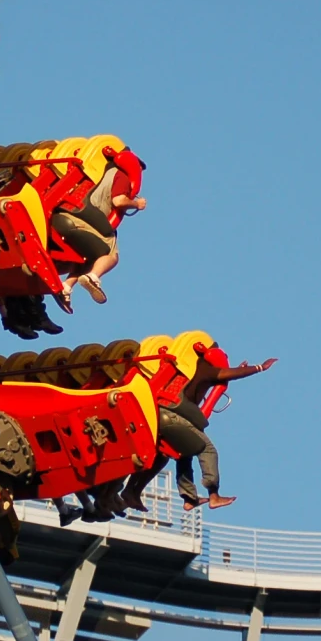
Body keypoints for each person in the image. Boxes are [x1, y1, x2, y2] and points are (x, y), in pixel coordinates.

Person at [137, 347, 277, 512]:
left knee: (185, 452)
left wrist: (237, 368)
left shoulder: (189, 367)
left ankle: (189, 498)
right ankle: (214, 496)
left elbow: (226, 374)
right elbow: (228, 374)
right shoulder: (207, 370)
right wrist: (259, 367)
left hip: (159, 412)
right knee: (208, 450)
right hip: (174, 416)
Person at [54, 148, 145, 308]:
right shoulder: (121, 176)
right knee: (111, 252)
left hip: (62, 216)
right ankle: (93, 278)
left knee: (89, 255)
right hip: (81, 220)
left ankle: (65, 288)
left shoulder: (96, 174)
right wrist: (137, 204)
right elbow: (119, 201)